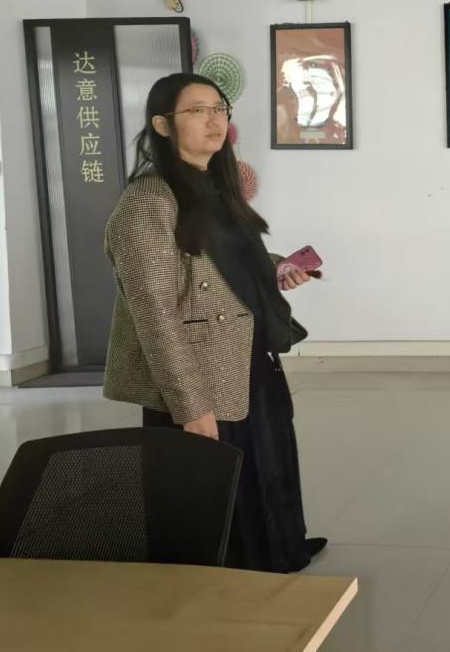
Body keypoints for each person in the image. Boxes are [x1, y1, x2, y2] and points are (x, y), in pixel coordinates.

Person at [102, 72, 325, 573]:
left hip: (247, 353)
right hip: (198, 369)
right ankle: (225, 578)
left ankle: (279, 549)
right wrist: (192, 404)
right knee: (215, 483)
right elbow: (154, 312)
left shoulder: (216, 189)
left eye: (219, 109)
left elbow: (223, 262)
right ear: (162, 125)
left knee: (269, 458)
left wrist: (275, 268)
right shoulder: (149, 201)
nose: (213, 120)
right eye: (197, 110)